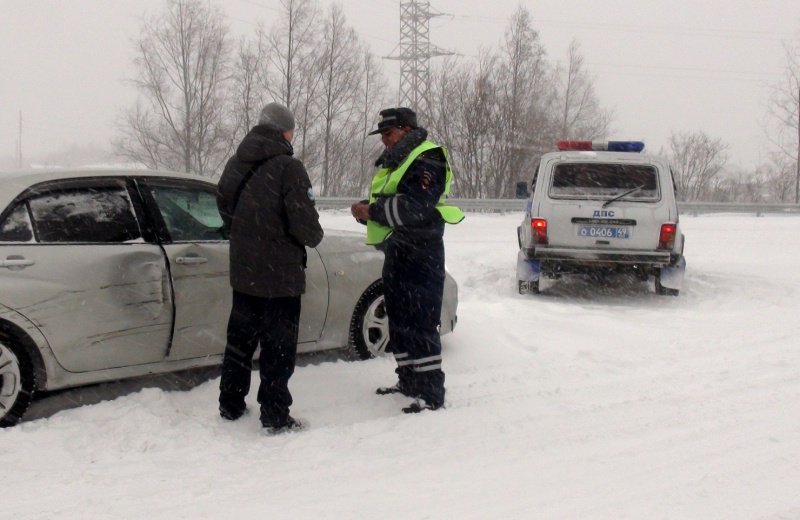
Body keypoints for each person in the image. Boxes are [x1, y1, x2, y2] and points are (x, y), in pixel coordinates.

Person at [216, 102, 323, 433]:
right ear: (285, 131)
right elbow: (306, 226)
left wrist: (251, 235)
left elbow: (223, 205)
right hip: (280, 275)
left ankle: (230, 404)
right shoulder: (289, 168)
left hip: (244, 270)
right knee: (278, 347)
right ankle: (275, 413)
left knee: (240, 340)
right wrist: (309, 234)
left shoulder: (236, 163)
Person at [350, 107, 463, 413]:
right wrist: (368, 210)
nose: (384, 141)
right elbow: (393, 204)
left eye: (388, 134)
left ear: (406, 130)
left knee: (421, 322)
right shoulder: (396, 160)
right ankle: (408, 381)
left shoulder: (428, 157)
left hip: (422, 252)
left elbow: (415, 208)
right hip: (398, 250)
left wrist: (371, 211)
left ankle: (430, 393)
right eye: (383, 135)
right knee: (399, 320)